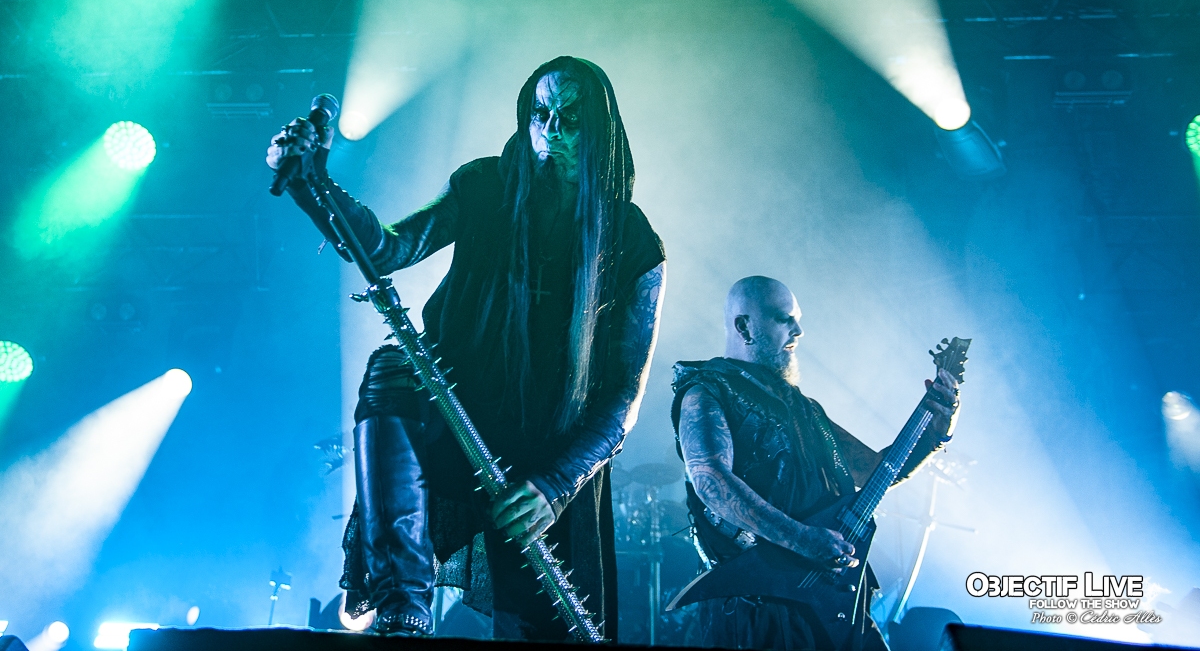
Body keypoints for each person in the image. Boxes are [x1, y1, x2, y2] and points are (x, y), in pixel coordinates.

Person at [266, 57, 666, 640]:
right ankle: (403, 597)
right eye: (540, 113)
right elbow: (387, 249)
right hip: (455, 410)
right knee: (393, 369)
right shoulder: (484, 187)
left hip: (550, 447)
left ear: (601, 131)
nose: (551, 130)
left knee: (543, 630)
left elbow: (624, 395)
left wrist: (556, 484)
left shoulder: (633, 240)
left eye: (572, 117)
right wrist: (313, 181)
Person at [671, 276, 959, 650]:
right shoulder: (706, 392)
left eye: (798, 319)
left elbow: (877, 472)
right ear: (744, 326)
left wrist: (936, 433)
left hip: (828, 598)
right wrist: (803, 539)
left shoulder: (804, 409)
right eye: (784, 319)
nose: (799, 331)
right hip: (756, 607)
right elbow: (711, 482)